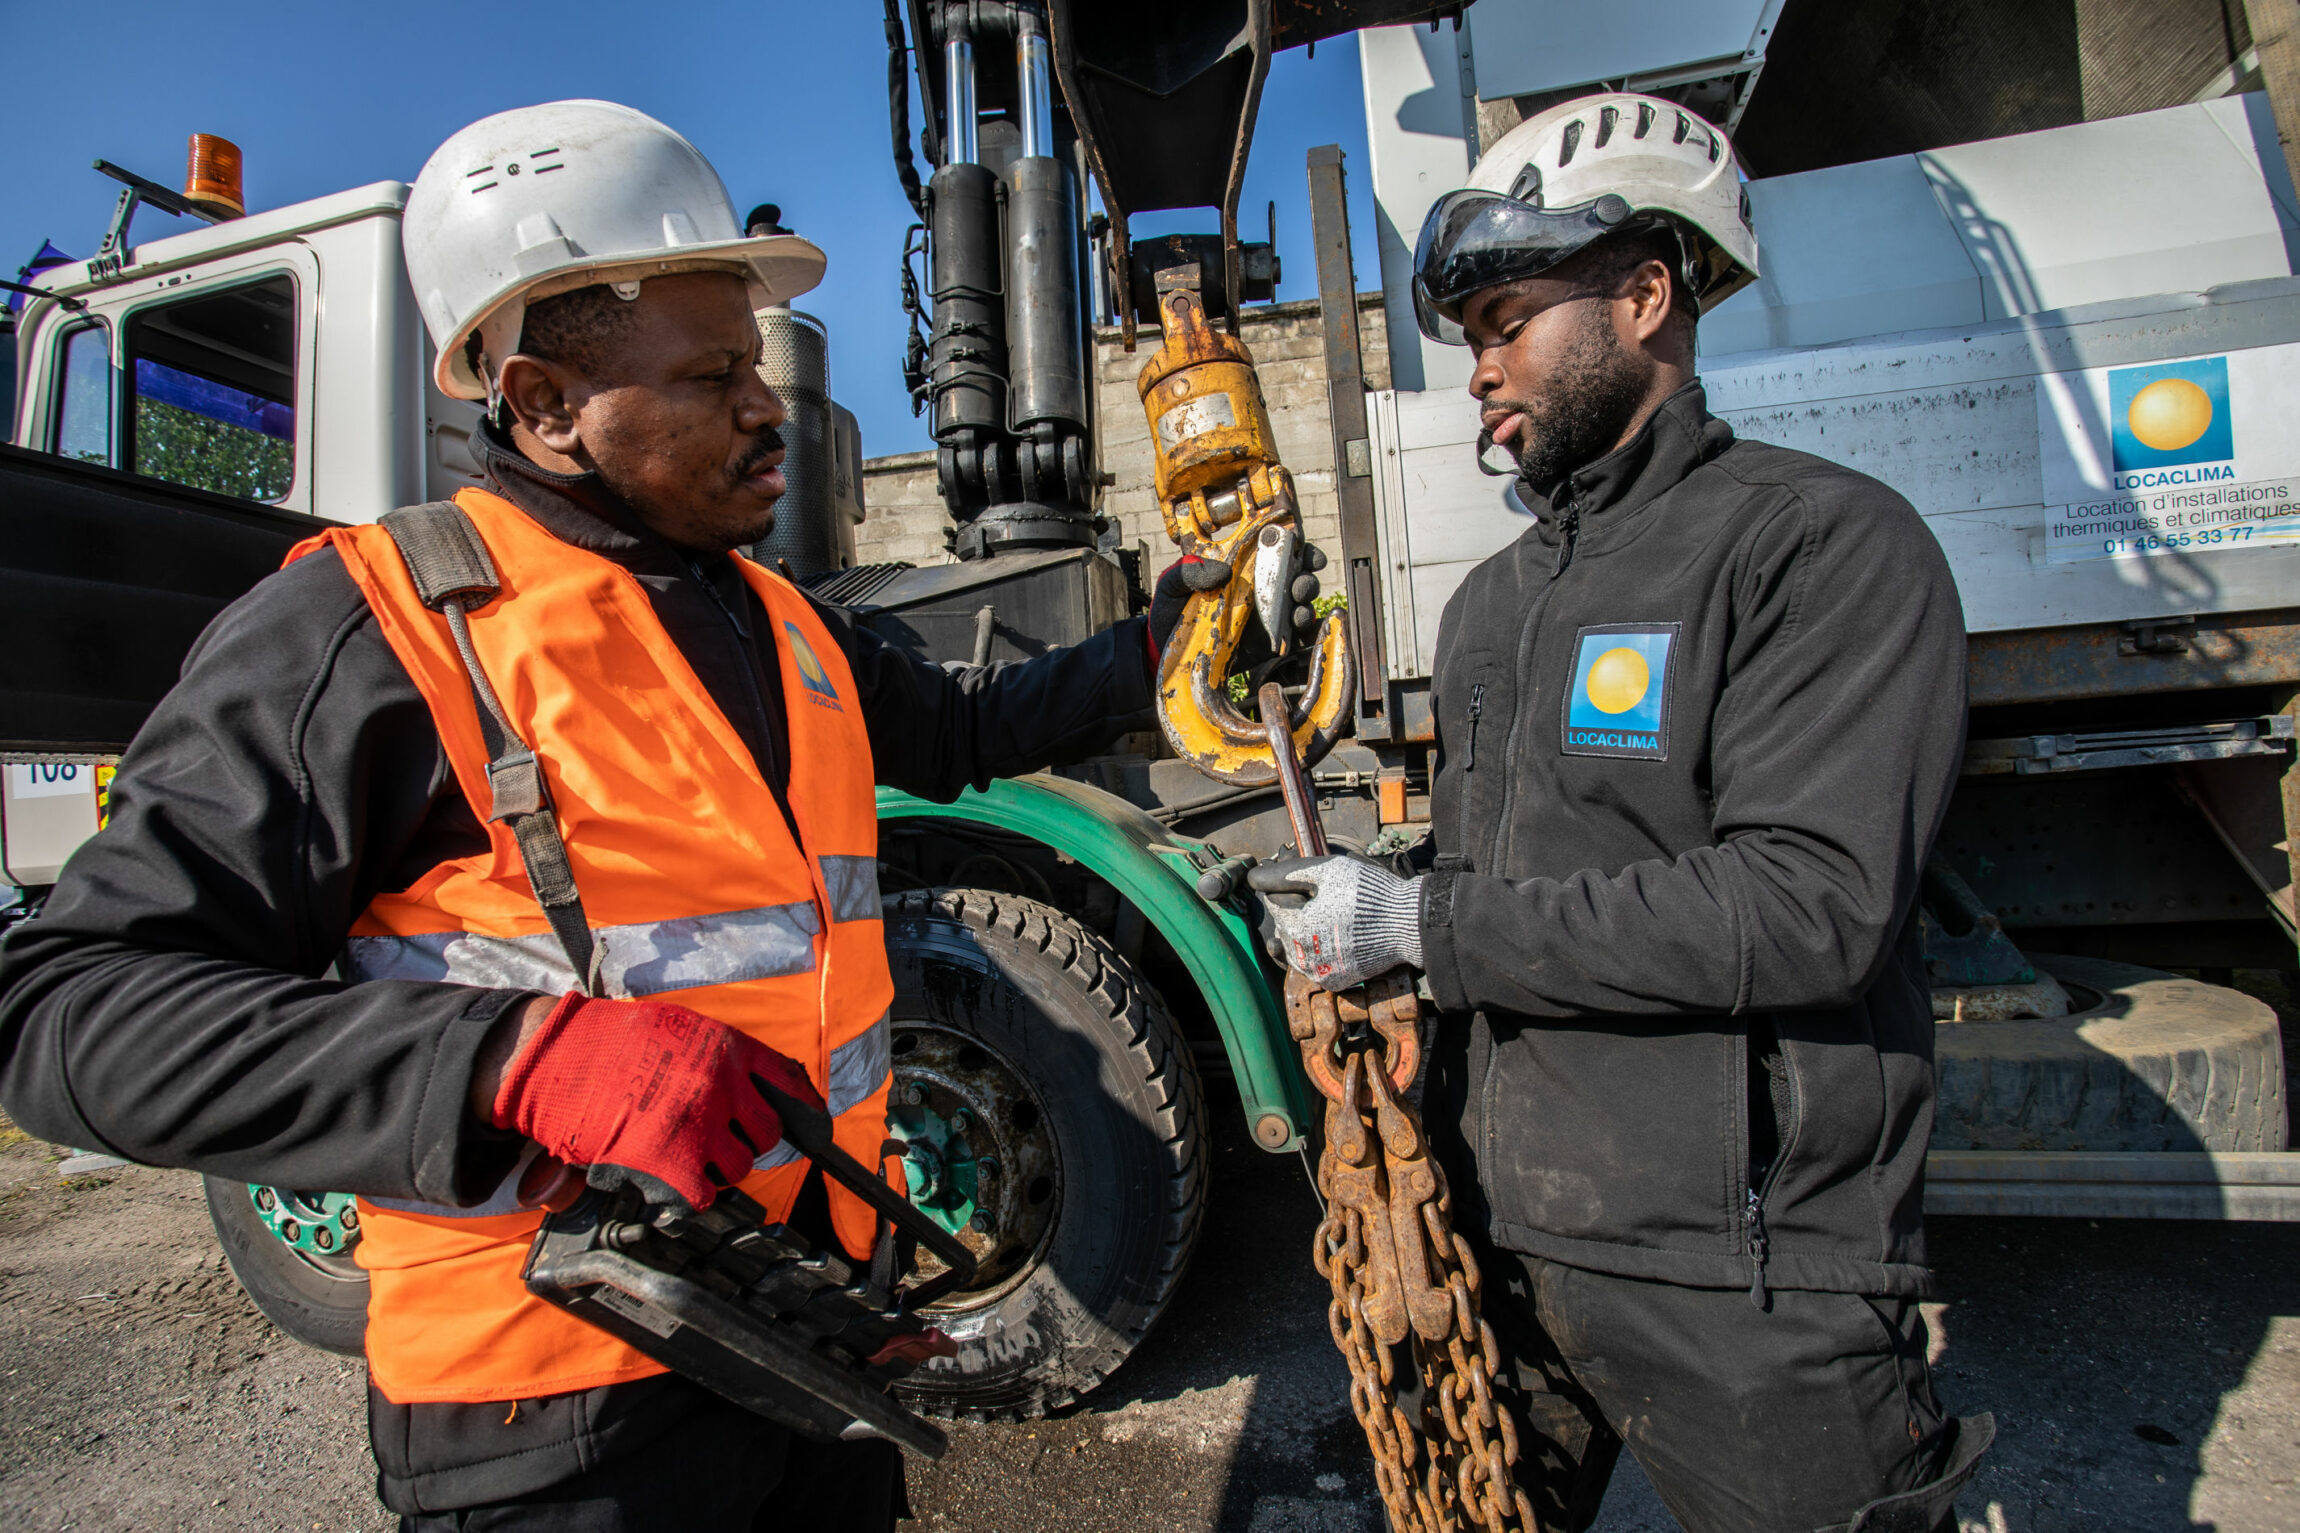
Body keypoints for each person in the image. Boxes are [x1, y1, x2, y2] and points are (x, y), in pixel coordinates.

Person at [0, 99, 1214, 1530]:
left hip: (804, 1348)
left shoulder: (778, 621)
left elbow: (959, 728)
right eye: (712, 374)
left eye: (757, 367)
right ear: (539, 405)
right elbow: (65, 1010)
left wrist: (1159, 648)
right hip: (554, 1419)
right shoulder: (378, 631)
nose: (770, 406)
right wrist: (512, 1058)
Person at [1249, 94, 1993, 1533]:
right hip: (1502, 1249)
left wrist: (1428, 922)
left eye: (1509, 317)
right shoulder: (1491, 610)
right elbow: (1519, 883)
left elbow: (1807, 906)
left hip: (1747, 1275)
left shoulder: (1819, 546)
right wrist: (1383, 928)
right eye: (1467, 335)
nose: (1478, 369)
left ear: (1648, 293)